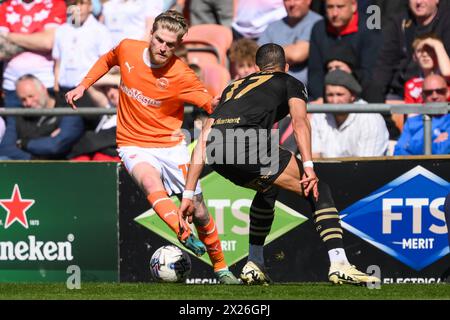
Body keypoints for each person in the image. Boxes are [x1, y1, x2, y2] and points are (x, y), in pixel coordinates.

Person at [179, 43, 380, 285]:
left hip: (216, 151)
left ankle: (254, 263)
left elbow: (203, 139)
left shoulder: (233, 86)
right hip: (247, 144)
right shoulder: (290, 82)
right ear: (285, 67)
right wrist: (308, 167)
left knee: (268, 187)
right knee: (318, 190)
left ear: (257, 68)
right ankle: (340, 264)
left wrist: (188, 193)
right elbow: (299, 122)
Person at [65, 10, 239, 284]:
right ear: (151, 34)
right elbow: (108, 59)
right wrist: (84, 85)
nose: (163, 48)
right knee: (149, 181)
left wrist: (219, 104)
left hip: (171, 146)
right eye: (159, 40)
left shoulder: (181, 74)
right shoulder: (128, 49)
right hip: (133, 142)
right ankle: (183, 234)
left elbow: (209, 103)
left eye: (170, 44)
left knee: (200, 209)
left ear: (178, 45)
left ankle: (220, 267)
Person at [0, 74, 84, 160]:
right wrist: (33, 160)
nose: (28, 103)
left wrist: (23, 143)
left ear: (43, 89)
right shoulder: (19, 114)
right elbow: (5, 148)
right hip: (28, 167)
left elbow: (55, 146)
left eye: (31, 96)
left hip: (62, 167)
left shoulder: (68, 109)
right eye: (23, 99)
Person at [312, 69, 389, 158]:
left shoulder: (369, 119)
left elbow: (367, 165)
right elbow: (314, 157)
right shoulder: (319, 116)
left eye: (339, 94)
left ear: (353, 96)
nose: (335, 101)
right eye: (330, 95)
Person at [258, 0, 322, 84]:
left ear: (308, 1)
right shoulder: (273, 27)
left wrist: (268, 53)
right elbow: (257, 55)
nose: (292, 4)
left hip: (303, 91)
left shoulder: (317, 23)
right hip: (271, 87)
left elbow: (296, 55)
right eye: (287, 0)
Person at [394, 74, 450, 155]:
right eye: (429, 92)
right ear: (422, 95)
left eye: (440, 91)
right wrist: (434, 141)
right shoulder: (412, 122)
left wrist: (410, 145)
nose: (434, 96)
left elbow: (442, 151)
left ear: (447, 92)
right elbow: (399, 153)